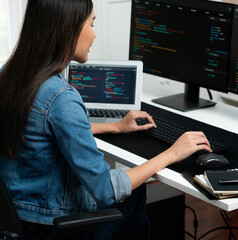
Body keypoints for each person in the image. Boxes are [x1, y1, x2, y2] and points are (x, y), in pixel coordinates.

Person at [0, 0, 212, 239]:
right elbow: (105, 190)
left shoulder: (10, 72)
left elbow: (45, 129)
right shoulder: (61, 97)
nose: (94, 34)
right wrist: (172, 153)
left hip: (14, 217)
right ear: (67, 28)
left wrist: (115, 126)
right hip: (48, 225)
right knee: (134, 192)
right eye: (91, 24)